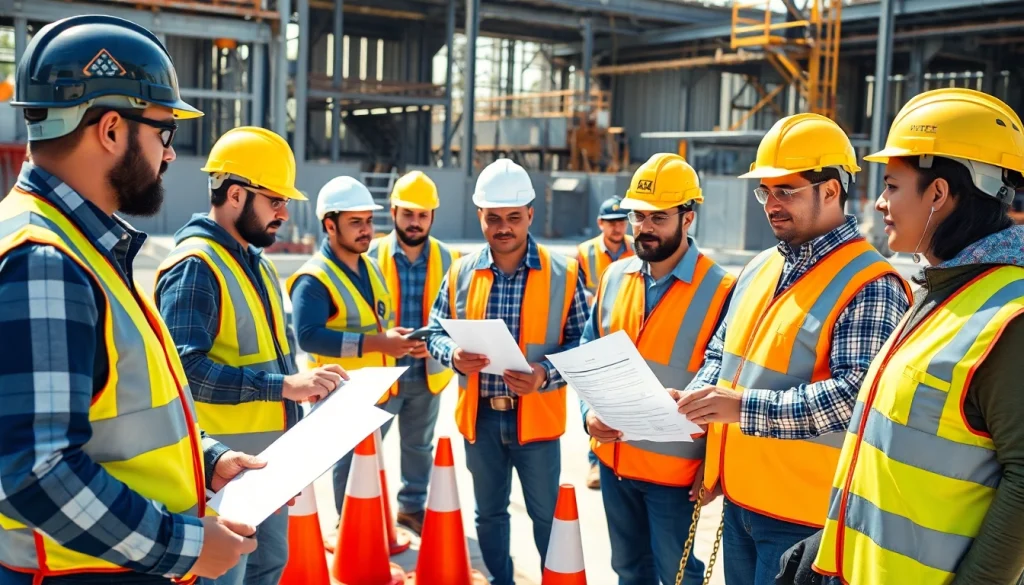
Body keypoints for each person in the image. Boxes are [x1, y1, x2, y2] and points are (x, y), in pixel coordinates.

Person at [0, 15, 263, 584]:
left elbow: (119, 415)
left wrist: (208, 460)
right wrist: (185, 547)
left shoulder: (76, 243)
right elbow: (38, 472)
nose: (169, 154)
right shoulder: (44, 260)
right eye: (164, 132)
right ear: (112, 129)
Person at [674, 113, 913, 585]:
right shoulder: (760, 267)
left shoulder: (870, 283)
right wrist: (694, 401)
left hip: (804, 519)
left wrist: (740, 409)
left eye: (787, 190)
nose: (771, 204)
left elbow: (853, 398)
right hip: (742, 500)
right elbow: (722, 356)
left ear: (831, 190)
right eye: (766, 190)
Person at [798, 89, 1024, 585]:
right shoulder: (940, 289)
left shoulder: (1009, 316)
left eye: (892, 186)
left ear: (939, 194)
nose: (879, 203)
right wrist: (828, 546)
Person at [154, 127, 345, 585]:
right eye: (274, 200)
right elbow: (183, 373)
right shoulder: (196, 266)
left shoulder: (254, 262)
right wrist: (284, 387)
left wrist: (302, 412)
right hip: (220, 477)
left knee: (267, 567)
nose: (284, 212)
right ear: (236, 195)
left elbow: (265, 358)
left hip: (266, 469)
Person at [421, 159, 589, 585]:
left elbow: (584, 347)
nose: (503, 228)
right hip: (481, 418)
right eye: (493, 218)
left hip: (536, 422)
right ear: (480, 216)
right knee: (489, 515)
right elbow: (435, 332)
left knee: (546, 517)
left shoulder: (564, 273)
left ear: (530, 214)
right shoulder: (460, 271)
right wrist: (453, 354)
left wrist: (543, 375)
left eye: (513, 217)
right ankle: (501, 580)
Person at [581, 153, 736, 585]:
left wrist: (716, 464)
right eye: (638, 216)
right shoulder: (614, 277)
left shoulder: (722, 289)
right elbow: (587, 353)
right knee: (629, 571)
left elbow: (729, 378)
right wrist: (587, 416)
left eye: (659, 217)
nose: (644, 228)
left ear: (688, 218)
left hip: (676, 473)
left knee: (679, 574)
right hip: (614, 464)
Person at [287, 176, 423, 519]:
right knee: (349, 476)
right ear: (330, 226)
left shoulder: (370, 265)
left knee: (369, 472)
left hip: (379, 392)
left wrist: (394, 338)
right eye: (355, 223)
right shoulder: (314, 278)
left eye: (368, 221)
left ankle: (369, 539)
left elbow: (370, 322)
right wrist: (379, 343)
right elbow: (309, 336)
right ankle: (350, 541)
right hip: (342, 396)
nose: (366, 230)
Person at [365, 170, 459, 533]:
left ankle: (411, 508)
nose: (415, 222)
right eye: (408, 214)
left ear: (432, 216)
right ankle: (355, 513)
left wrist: (438, 345)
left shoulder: (450, 260)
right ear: (393, 212)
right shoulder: (370, 255)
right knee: (365, 447)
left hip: (425, 372)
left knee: (419, 447)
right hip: (380, 372)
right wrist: (385, 337)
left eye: (422, 214)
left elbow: (459, 313)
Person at [576, 195, 634, 490]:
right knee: (598, 402)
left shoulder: (637, 250)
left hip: (626, 334)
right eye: (611, 223)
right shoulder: (584, 253)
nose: (617, 228)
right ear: (600, 223)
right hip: (596, 331)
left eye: (622, 221)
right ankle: (595, 459)